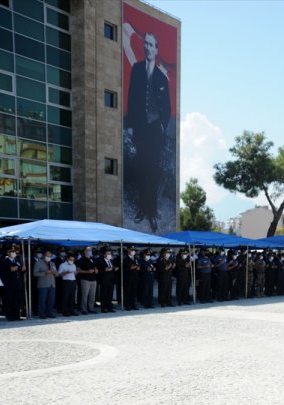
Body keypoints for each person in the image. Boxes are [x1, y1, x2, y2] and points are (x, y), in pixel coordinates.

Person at [125, 32, 171, 232]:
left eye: (152, 45)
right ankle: (143, 209)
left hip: (155, 130)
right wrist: (130, 124)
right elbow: (131, 98)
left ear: (156, 49)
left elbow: (167, 107)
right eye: (146, 44)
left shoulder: (162, 77)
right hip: (140, 128)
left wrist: (162, 125)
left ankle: (152, 212)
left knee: (153, 171)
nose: (148, 47)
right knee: (142, 171)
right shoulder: (136, 69)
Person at [32, 250, 57, 319]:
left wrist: (55, 273)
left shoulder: (52, 263)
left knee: (51, 300)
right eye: (47, 256)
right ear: (44, 256)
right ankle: (41, 313)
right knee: (42, 300)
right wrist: (44, 273)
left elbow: (56, 273)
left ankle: (49, 312)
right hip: (43, 284)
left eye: (50, 256)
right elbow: (35, 273)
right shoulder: (38, 263)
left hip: (52, 284)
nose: (49, 257)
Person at [76, 247, 99, 314]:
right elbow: (78, 270)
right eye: (88, 250)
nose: (90, 251)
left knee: (92, 295)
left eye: (90, 250)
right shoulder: (81, 260)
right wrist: (87, 271)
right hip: (85, 279)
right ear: (85, 251)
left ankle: (91, 308)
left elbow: (95, 267)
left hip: (93, 279)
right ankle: (83, 309)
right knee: (84, 295)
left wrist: (96, 270)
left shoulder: (93, 259)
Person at [97, 249, 119, 313]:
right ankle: (103, 308)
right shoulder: (101, 261)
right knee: (104, 295)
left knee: (110, 295)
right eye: (108, 254)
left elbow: (112, 269)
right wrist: (105, 270)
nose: (109, 255)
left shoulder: (111, 261)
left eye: (110, 254)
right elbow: (99, 270)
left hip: (111, 280)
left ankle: (109, 307)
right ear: (104, 254)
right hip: (104, 280)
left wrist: (115, 269)